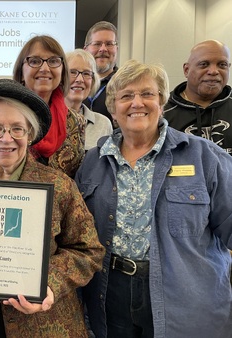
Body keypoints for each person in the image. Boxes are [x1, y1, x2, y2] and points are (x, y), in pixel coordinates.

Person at [0, 79, 105, 338]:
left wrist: (49, 283)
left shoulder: (58, 185)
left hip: (41, 323)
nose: (6, 138)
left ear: (30, 134)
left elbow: (89, 251)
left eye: (17, 129)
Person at [75, 59, 232, 338]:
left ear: (162, 102)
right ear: (113, 109)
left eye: (147, 94)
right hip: (111, 295)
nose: (137, 103)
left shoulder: (206, 158)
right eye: (126, 96)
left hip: (186, 299)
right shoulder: (92, 162)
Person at [0, 35, 85, 178]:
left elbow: (77, 176)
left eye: (53, 61)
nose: (44, 68)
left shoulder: (76, 122)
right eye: (35, 61)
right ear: (21, 72)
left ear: (62, 71)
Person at [164, 39, 232, 155]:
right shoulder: (162, 110)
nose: (213, 71)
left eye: (222, 65)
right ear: (186, 70)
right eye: (204, 64)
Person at [65, 48, 112, 150]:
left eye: (86, 74)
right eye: (72, 72)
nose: (80, 80)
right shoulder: (46, 119)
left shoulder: (103, 124)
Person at [83, 21, 119, 126]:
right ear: (85, 50)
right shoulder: (72, 83)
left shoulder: (125, 84)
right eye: (97, 44)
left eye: (109, 44)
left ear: (116, 49)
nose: (103, 49)